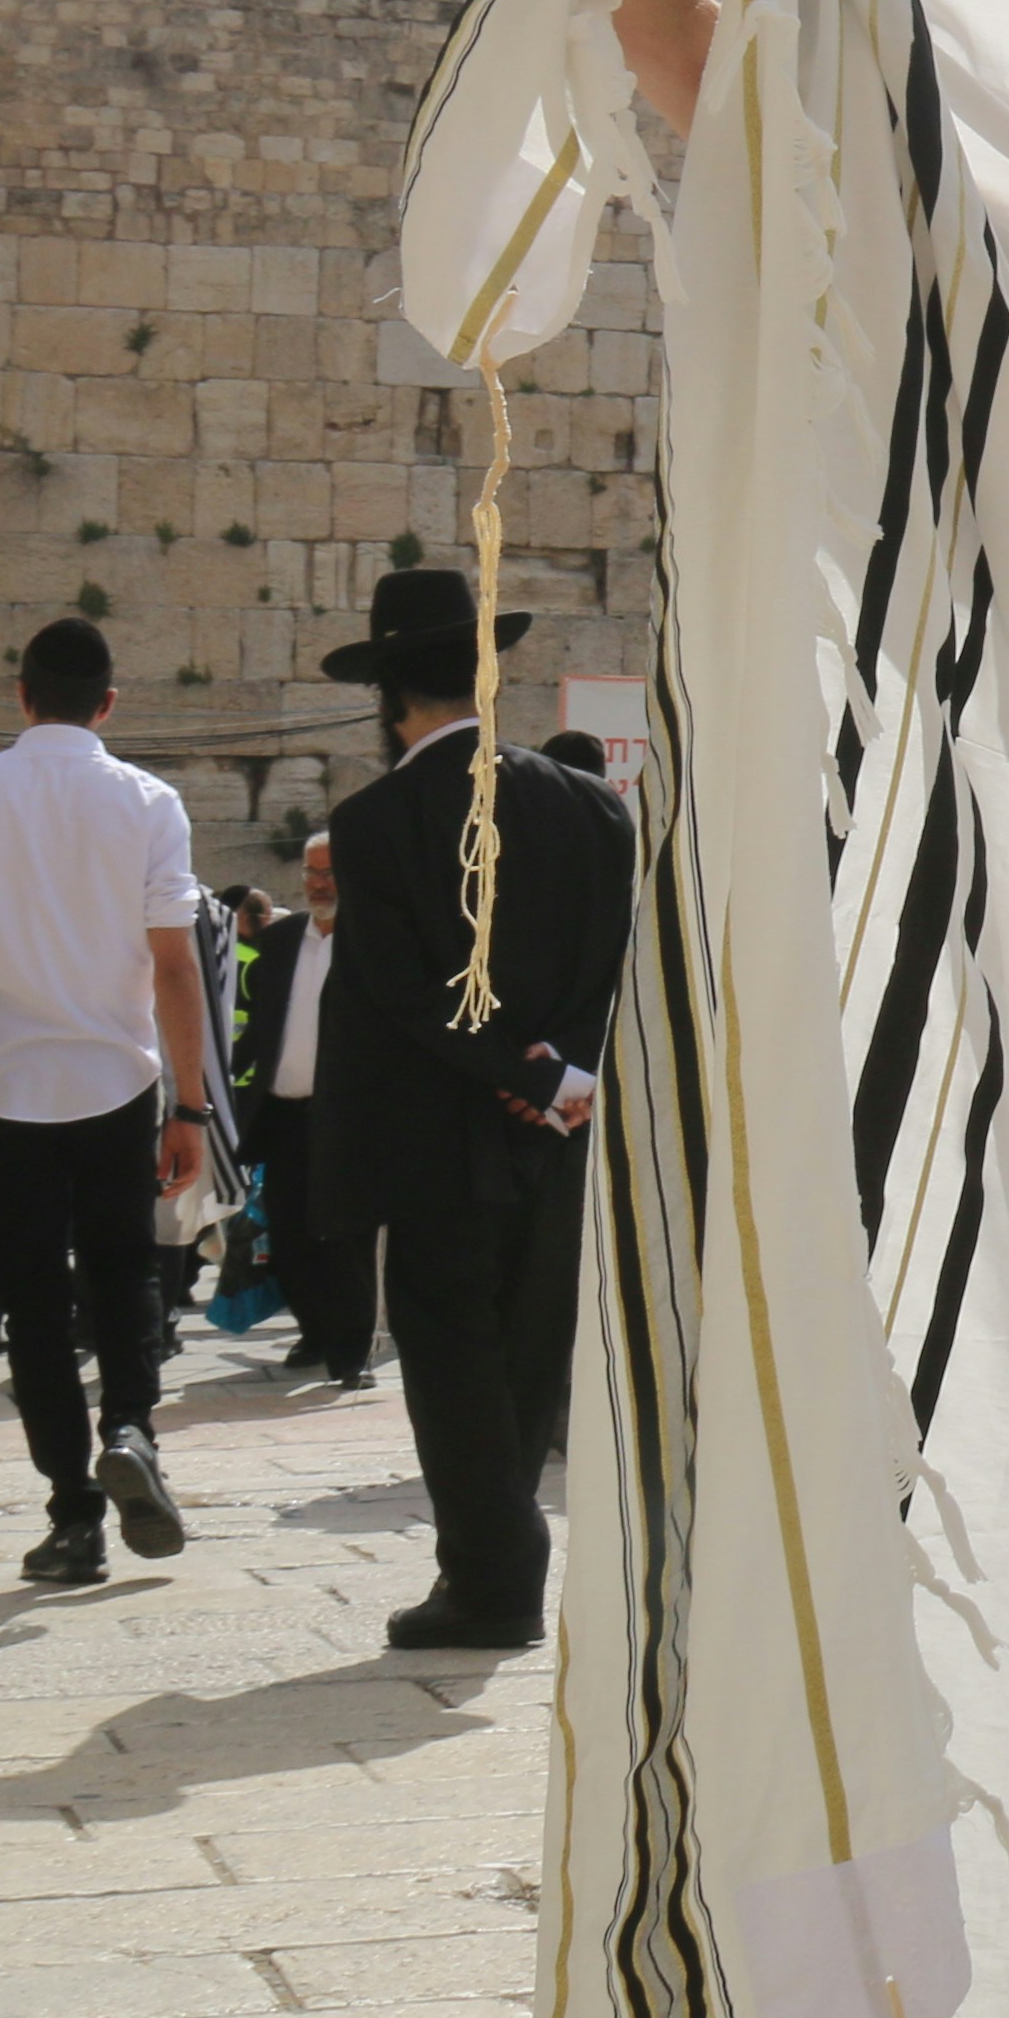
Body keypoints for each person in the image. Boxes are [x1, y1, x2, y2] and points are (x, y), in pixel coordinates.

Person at [315, 565, 636, 1642]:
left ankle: (494, 1582)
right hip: (560, 1139)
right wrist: (567, 1077)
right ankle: (502, 1567)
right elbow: (620, 964)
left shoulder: (375, 824)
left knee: (451, 1363)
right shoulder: (591, 807)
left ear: (390, 692)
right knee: (528, 1354)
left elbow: (408, 993)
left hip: (442, 1139)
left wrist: (526, 1070)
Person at [0, 617, 218, 1588]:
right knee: (125, 1276)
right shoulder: (149, 802)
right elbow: (175, 968)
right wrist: (189, 1110)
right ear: (107, 704)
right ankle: (131, 1427)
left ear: (21, 696)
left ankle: (71, 1514)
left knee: (31, 1304)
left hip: (1, 1088)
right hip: (116, 1082)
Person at [232, 830, 372, 1385]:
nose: (319, 884)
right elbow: (261, 1024)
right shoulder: (283, 938)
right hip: (283, 1113)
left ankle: (351, 1354)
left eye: (330, 873)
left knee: (346, 1239)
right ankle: (314, 1331)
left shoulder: (372, 939)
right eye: (312, 873)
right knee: (290, 1237)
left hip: (345, 1117)